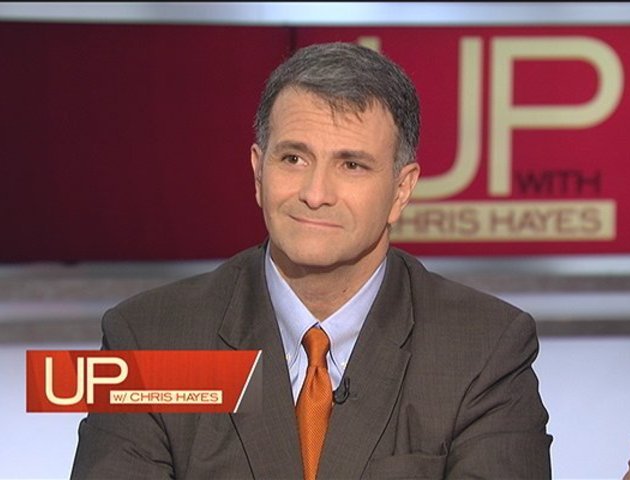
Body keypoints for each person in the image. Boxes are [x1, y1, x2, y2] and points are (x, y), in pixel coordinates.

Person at [71, 42, 552, 479]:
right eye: (293, 159)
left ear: (401, 190)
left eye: (351, 165)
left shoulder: (485, 350)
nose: (315, 194)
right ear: (258, 172)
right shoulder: (150, 341)